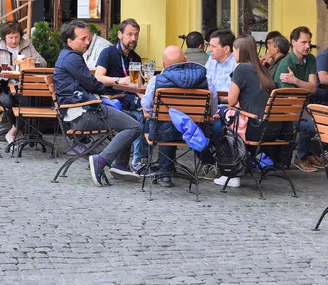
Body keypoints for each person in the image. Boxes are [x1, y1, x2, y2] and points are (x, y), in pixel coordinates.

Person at [53, 20, 142, 186]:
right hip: (83, 114)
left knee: (129, 117)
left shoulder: (67, 56)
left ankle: (121, 165)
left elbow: (89, 85)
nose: (87, 42)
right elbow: (92, 84)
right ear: (70, 41)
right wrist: (103, 93)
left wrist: (101, 94)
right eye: (83, 39)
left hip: (81, 110)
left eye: (88, 38)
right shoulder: (72, 58)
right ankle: (101, 161)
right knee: (135, 126)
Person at [214, 34, 282, 188]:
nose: (233, 54)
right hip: (273, 129)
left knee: (220, 122)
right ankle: (239, 166)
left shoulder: (241, 68)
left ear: (240, 51)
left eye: (234, 51)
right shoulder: (263, 70)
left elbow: (232, 101)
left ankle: (231, 172)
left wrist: (218, 101)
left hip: (254, 128)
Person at [141, 46, 210, 187]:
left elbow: (147, 106)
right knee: (171, 122)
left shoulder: (156, 80)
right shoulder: (206, 80)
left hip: (162, 134)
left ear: (164, 65)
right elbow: (211, 109)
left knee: (162, 121)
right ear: (185, 60)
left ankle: (165, 175)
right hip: (195, 132)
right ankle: (207, 163)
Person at [0, 20, 47, 144]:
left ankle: (12, 131)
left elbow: (43, 63)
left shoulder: (26, 44)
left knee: (31, 101)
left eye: (17, 37)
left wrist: (30, 61)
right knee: (8, 101)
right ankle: (15, 131)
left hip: (23, 85)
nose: (14, 41)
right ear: (4, 37)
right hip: (2, 84)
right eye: (10, 37)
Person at [94, 19, 147, 172]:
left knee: (149, 114)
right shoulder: (108, 53)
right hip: (112, 101)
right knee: (137, 118)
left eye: (136, 35)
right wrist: (119, 80)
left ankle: (142, 159)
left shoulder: (135, 57)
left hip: (130, 99)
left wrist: (146, 100)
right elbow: (98, 77)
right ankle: (137, 161)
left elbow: (138, 84)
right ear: (119, 34)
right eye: (129, 34)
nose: (134, 39)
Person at [274, 26, 321, 173]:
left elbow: (313, 88)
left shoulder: (311, 58)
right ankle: (300, 157)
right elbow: (289, 98)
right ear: (293, 42)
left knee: (327, 118)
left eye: (309, 42)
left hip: (303, 105)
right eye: (303, 42)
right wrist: (308, 113)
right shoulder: (286, 64)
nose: (307, 46)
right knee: (310, 124)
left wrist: (295, 80)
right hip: (285, 109)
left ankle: (309, 153)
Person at [205, 29, 237, 107]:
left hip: (228, 109)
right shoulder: (211, 59)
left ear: (226, 49)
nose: (209, 50)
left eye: (213, 46)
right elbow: (205, 82)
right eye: (209, 45)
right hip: (210, 107)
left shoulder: (236, 64)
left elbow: (235, 98)